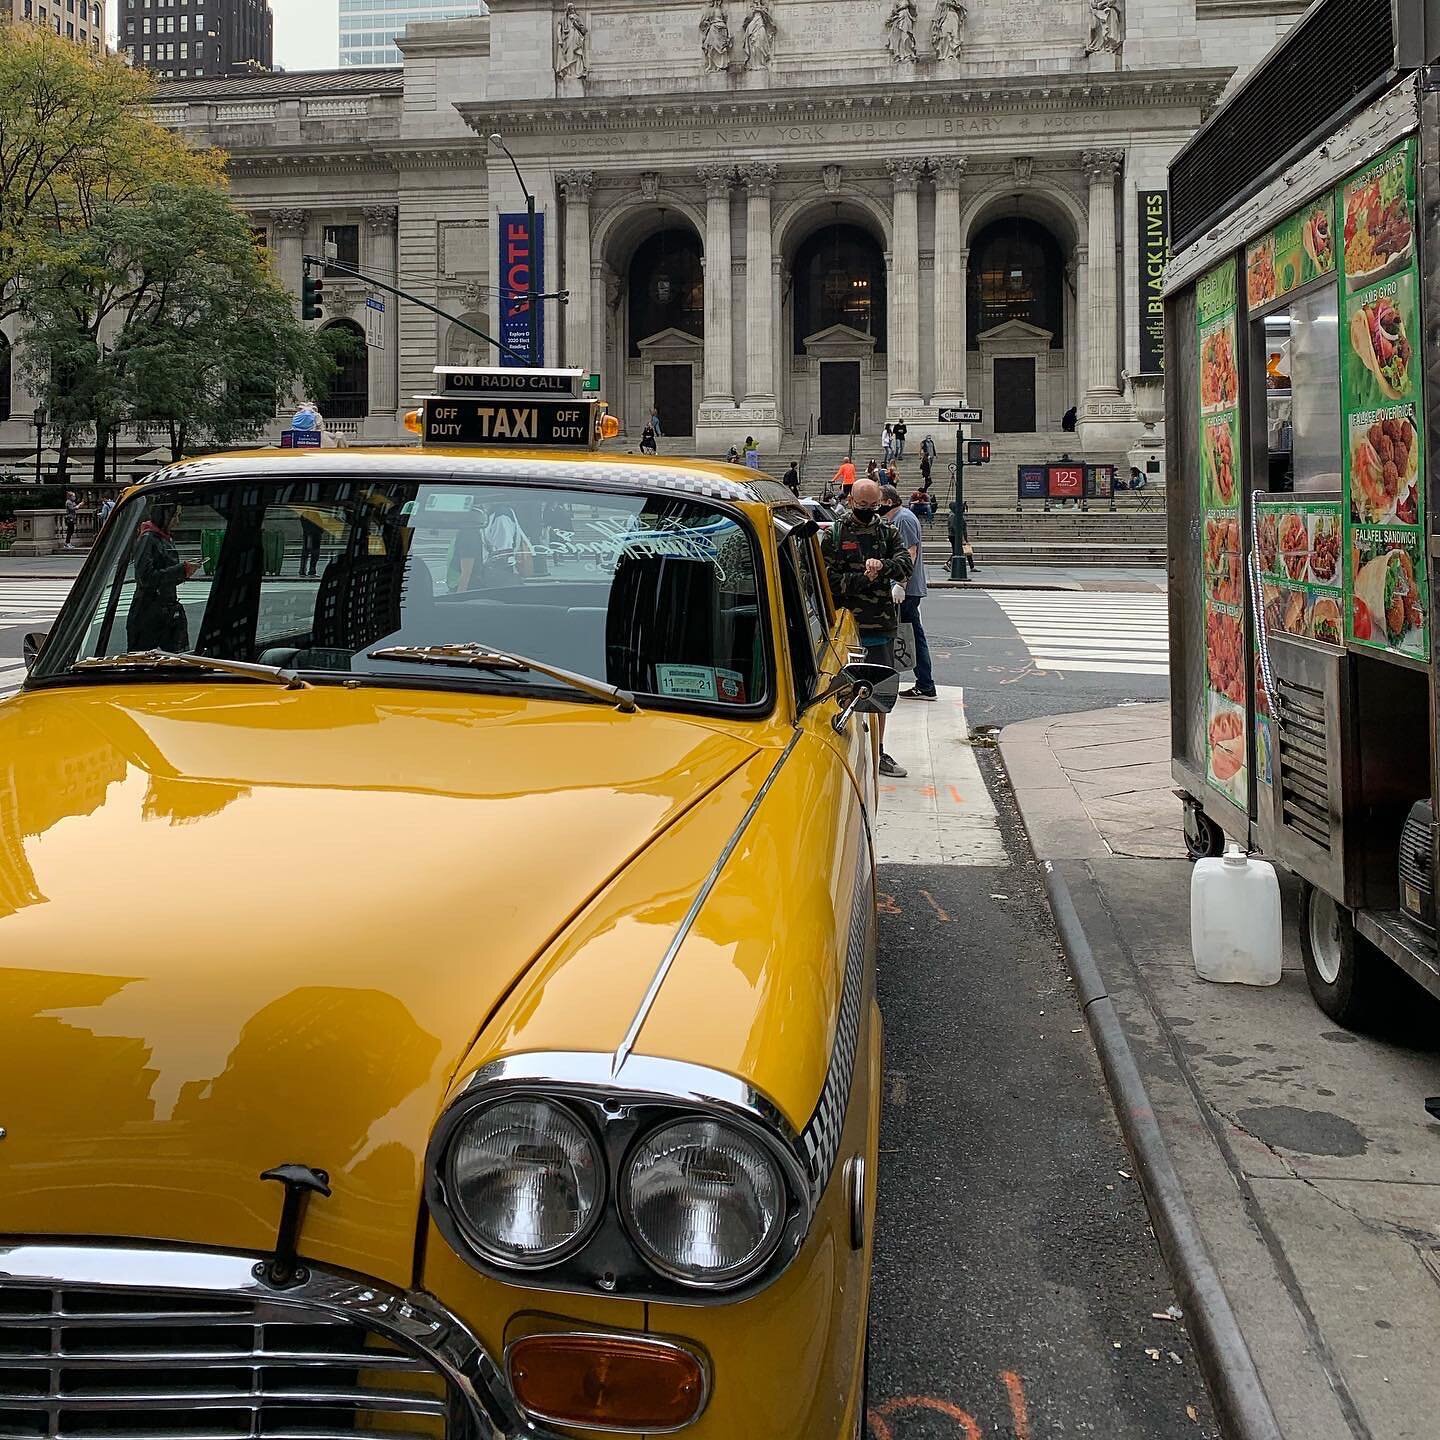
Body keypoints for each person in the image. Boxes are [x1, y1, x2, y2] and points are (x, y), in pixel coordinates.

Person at [821, 477, 913, 778]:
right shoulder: (835, 534)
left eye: (874, 506)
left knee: (879, 692)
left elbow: (905, 564)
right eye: (863, 506)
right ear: (851, 502)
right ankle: (841, 745)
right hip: (844, 625)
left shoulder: (888, 532)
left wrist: (883, 567)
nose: (869, 511)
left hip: (880, 625)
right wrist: (866, 577)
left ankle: (878, 749)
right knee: (842, 689)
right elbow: (827, 580)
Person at [882, 485, 936, 702]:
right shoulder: (902, 517)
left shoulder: (903, 519)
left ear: (887, 502)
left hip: (906, 590)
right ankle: (924, 683)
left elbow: (909, 553)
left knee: (912, 636)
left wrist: (900, 585)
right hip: (906, 588)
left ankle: (925, 684)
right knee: (912, 634)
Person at [127, 502, 200, 652]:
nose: (177, 521)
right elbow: (145, 577)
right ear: (165, 515)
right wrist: (181, 570)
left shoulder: (164, 538)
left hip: (167, 609)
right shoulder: (148, 538)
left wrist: (184, 572)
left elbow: (165, 575)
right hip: (149, 612)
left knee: (180, 659)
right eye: (175, 516)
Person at [299, 513, 324, 577]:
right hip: (314, 536)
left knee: (306, 554)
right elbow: (320, 525)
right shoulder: (314, 514)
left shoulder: (305, 515)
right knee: (314, 554)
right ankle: (311, 571)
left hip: (309, 535)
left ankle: (303, 571)